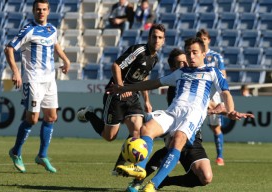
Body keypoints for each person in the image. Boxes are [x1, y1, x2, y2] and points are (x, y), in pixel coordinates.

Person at [108, 37, 254, 191]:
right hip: (173, 112)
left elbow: (226, 94)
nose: (191, 56)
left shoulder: (212, 72)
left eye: (195, 52)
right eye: (188, 53)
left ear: (204, 54)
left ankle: (153, 184)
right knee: (147, 128)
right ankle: (140, 169)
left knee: (178, 139)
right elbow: (154, 83)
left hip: (192, 115)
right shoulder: (180, 72)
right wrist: (125, 88)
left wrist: (230, 110)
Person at [77, 24, 166, 174]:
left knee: (137, 132)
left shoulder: (155, 59)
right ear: (149, 37)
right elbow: (116, 66)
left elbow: (144, 79)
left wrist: (147, 101)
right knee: (109, 136)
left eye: (160, 38)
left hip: (133, 96)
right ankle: (88, 114)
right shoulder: (139, 51)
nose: (156, 40)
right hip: (116, 95)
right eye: (154, 36)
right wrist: (120, 86)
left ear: (163, 40)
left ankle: (120, 167)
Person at [4, 0, 71, 173]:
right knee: (32, 119)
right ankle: (16, 152)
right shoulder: (28, 29)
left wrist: (65, 59)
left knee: (51, 117)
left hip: (50, 80)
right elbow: (9, 48)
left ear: (48, 11)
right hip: (32, 80)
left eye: (44, 9)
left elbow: (55, 44)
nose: (41, 12)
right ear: (33, 11)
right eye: (38, 10)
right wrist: (16, 72)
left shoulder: (52, 29)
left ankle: (42, 155)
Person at [196, 28, 227, 166]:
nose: (202, 41)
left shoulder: (216, 57)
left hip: (213, 96)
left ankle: (219, 156)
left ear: (208, 40)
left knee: (215, 127)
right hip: (197, 95)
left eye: (204, 39)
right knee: (192, 125)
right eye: (200, 39)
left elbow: (223, 76)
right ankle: (184, 153)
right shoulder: (195, 55)